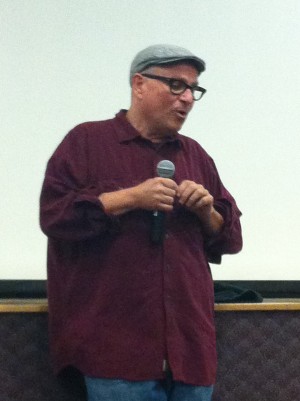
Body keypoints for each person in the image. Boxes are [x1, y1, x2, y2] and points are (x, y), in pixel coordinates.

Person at [40, 44, 242, 401]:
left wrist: (206, 212)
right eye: (176, 85)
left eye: (194, 89)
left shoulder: (195, 155)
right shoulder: (86, 142)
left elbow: (230, 239)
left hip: (190, 353)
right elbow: (55, 216)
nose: (187, 99)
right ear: (139, 84)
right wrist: (131, 198)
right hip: (115, 354)